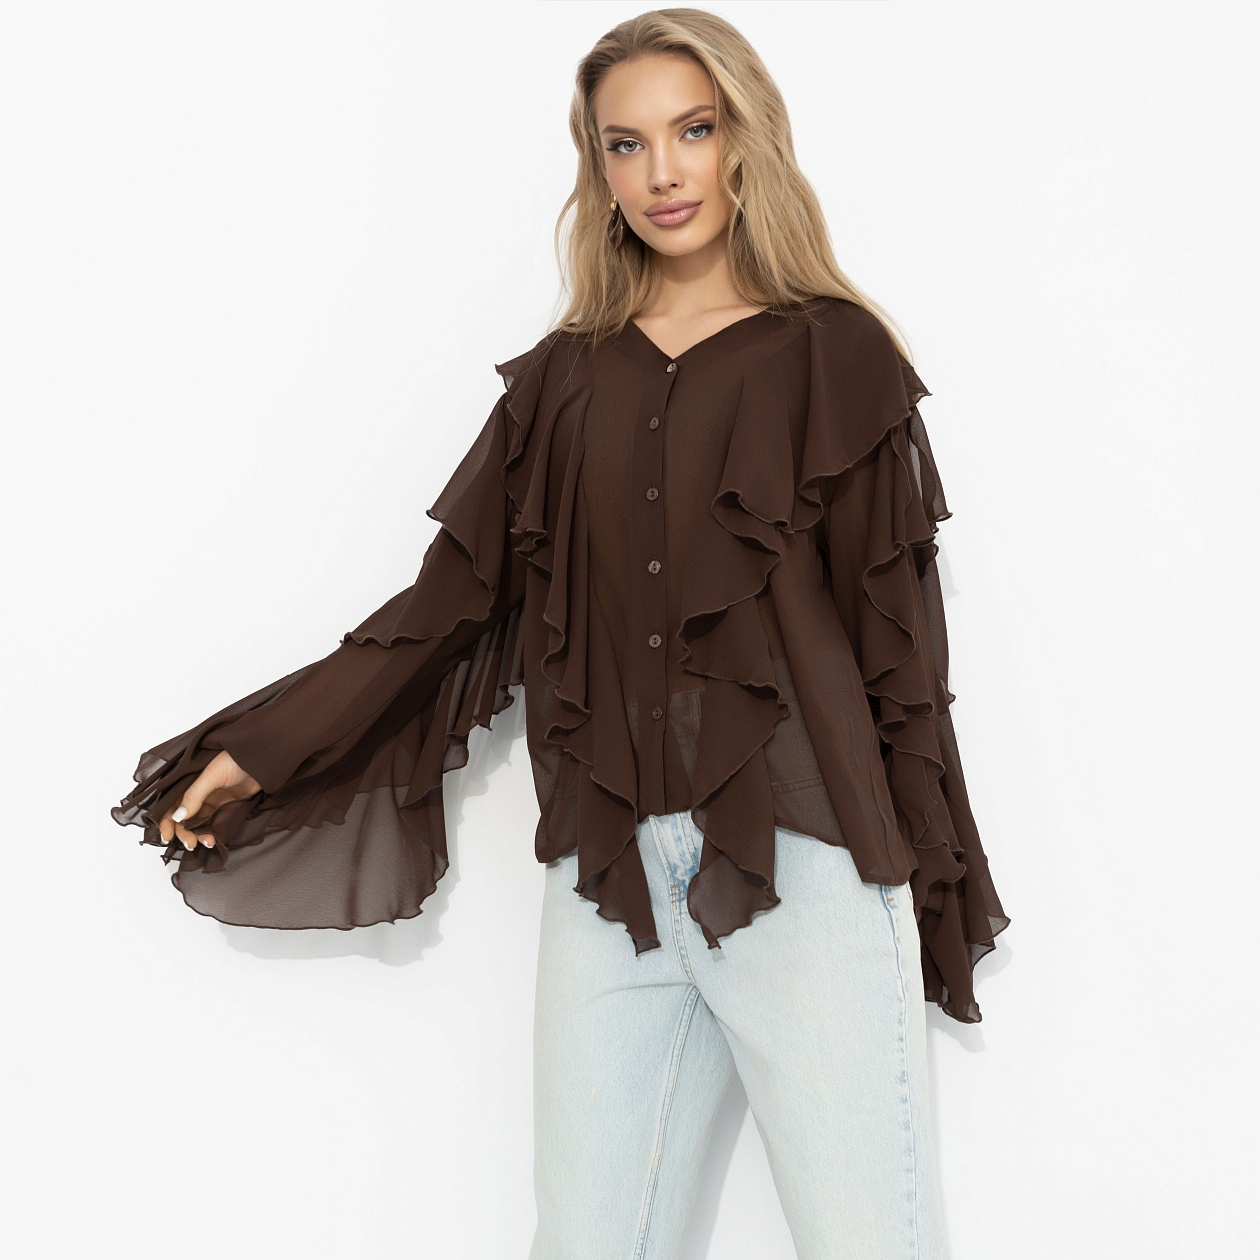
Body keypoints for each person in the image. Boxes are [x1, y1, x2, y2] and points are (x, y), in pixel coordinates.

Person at [113, 10, 1008, 1258]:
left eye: (693, 131)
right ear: (597, 168)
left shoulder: (834, 355)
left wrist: (934, 881)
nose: (663, 172)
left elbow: (899, 652)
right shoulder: (560, 384)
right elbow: (442, 608)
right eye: (625, 144)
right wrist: (263, 751)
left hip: (808, 866)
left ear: (744, 143)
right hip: (610, 879)